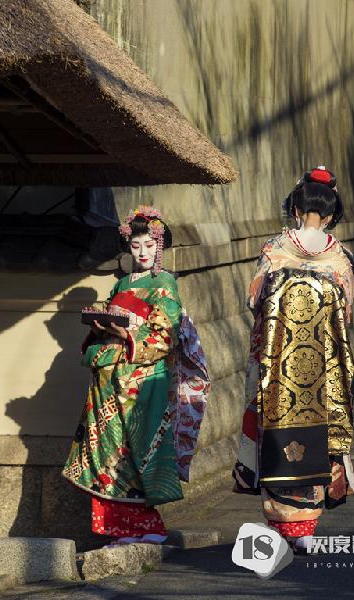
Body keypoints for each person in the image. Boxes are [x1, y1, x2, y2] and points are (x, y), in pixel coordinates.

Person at [63, 205, 210, 545]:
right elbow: (112, 328)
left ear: (160, 246)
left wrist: (128, 333)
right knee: (108, 451)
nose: (142, 252)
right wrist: (101, 324)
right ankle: (121, 528)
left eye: (149, 245)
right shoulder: (121, 284)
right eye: (135, 245)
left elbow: (165, 334)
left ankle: (149, 526)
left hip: (142, 380)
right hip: (109, 378)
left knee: (138, 449)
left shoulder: (165, 284)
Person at [232, 166, 354, 554]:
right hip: (323, 371)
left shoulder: (274, 250)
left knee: (274, 435)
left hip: (276, 364)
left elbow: (254, 301)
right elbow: (346, 313)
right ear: (332, 214)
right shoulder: (340, 257)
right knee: (320, 440)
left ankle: (280, 524)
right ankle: (306, 526)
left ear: (296, 208)